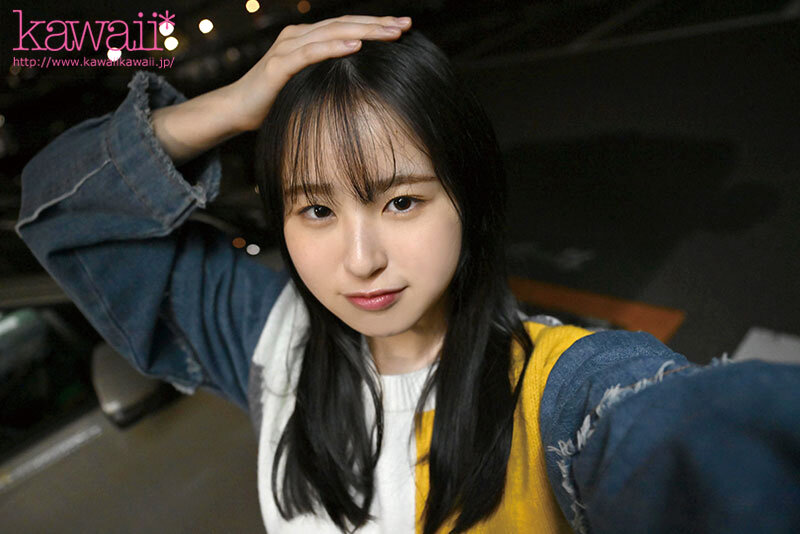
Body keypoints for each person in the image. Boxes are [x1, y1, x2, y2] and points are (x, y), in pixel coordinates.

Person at [15, 14, 800, 534]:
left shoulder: (559, 391)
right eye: (315, 210)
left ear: (470, 197)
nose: (360, 261)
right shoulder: (269, 338)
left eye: (400, 201)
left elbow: (695, 444)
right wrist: (229, 106)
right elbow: (61, 211)